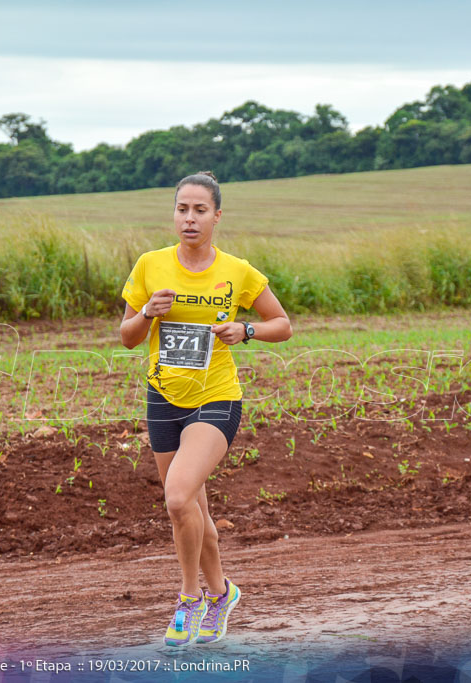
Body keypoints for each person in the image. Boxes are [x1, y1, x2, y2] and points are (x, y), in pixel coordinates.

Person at [119, 171, 293, 647]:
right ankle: (222, 593)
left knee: (177, 497)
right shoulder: (150, 265)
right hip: (163, 399)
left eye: (200, 210)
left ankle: (189, 597)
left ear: (217, 216)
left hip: (216, 398)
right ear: (173, 214)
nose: (189, 218)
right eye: (182, 209)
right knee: (192, 510)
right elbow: (127, 337)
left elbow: (282, 324)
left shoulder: (237, 271)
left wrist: (247, 331)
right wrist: (146, 314)